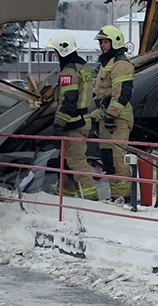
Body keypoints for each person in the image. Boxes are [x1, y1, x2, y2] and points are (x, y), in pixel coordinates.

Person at [46, 31, 99, 201]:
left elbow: (69, 100)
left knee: (76, 162)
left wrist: (58, 124)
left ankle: (91, 199)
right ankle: (66, 196)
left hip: (73, 124)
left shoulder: (69, 72)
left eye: (55, 52)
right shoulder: (83, 67)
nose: (54, 55)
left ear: (62, 51)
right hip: (81, 120)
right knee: (67, 162)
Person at [90, 25, 135, 202]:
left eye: (105, 42)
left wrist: (111, 114)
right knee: (108, 158)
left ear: (115, 42)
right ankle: (116, 195)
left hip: (119, 118)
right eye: (101, 42)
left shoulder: (121, 64)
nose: (102, 45)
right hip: (107, 116)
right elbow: (102, 93)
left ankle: (125, 196)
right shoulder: (107, 63)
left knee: (119, 158)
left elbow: (122, 93)